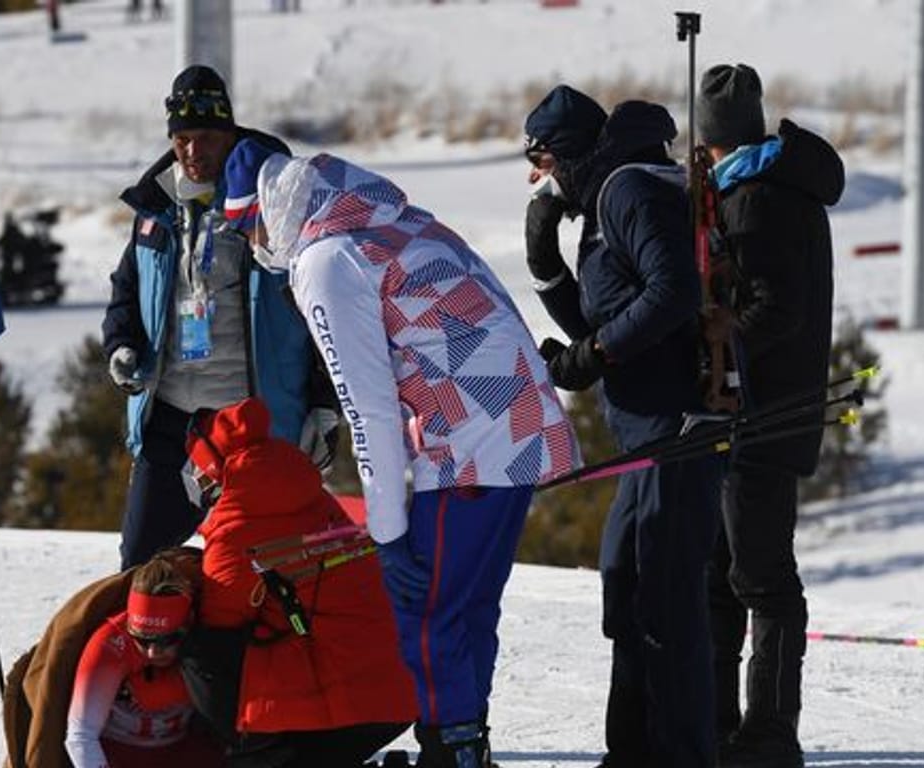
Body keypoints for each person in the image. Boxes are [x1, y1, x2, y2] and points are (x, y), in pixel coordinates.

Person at [226, 140, 581, 767]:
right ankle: (466, 745)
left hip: (468, 444)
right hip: (518, 429)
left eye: (247, 224)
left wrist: (387, 532)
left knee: (424, 615)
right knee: (467, 608)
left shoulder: (326, 260)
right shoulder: (381, 220)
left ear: (273, 207)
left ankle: (451, 752)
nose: (253, 244)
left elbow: (370, 410)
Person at [522, 85, 724, 767]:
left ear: (571, 152)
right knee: (624, 583)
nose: (538, 178)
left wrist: (596, 355)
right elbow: (600, 322)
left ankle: (684, 754)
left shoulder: (628, 193)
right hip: (646, 431)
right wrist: (549, 273)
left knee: (667, 602)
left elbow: (675, 293)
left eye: (543, 160)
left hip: (681, 426)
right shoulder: (609, 198)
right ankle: (632, 749)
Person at [101, 64, 336, 570]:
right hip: (169, 416)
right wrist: (120, 345)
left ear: (230, 135)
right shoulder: (155, 206)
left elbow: (323, 308)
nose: (192, 151)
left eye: (206, 137)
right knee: (140, 567)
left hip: (252, 419)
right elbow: (127, 289)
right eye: (182, 138)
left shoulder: (278, 200)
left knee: (255, 572)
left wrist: (323, 404)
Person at [697, 64, 844, 768]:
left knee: (761, 580)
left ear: (718, 141)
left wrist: (722, 327)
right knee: (721, 575)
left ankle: (768, 732)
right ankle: (722, 720)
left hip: (764, 415)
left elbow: (775, 310)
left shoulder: (759, 200)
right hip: (757, 414)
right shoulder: (764, 189)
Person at [182, 398, 415, 767]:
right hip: (393, 691)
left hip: (343, 705)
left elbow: (221, 626)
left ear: (213, 468)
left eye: (197, 468)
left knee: (198, 651)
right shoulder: (304, 488)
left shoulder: (235, 523)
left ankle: (254, 750)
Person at [65, 555, 226, 768]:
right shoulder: (111, 642)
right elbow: (81, 735)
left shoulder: (208, 633)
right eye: (141, 639)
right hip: (118, 752)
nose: (152, 652)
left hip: (186, 751)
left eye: (167, 640)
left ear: (189, 622)